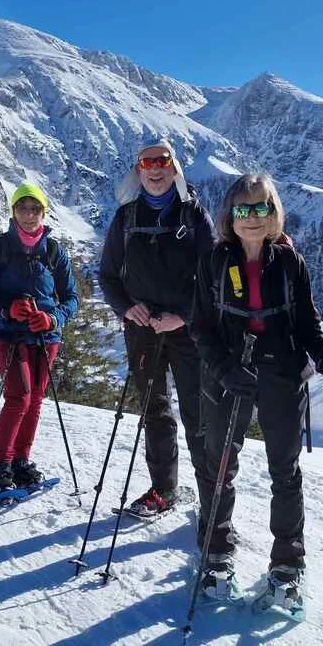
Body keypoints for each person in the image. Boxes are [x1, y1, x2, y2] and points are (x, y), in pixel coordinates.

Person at [191, 173, 323, 605]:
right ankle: (216, 554)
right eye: (243, 209)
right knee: (220, 466)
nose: (252, 217)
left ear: (273, 212)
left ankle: (287, 563)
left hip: (281, 373)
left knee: (285, 470)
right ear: (230, 214)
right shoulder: (213, 260)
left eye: (261, 208)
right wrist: (224, 369)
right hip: (229, 375)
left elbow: (306, 322)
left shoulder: (288, 261)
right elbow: (201, 326)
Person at [98, 139, 217, 517]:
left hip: (188, 329)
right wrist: (125, 307)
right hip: (142, 328)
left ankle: (212, 494)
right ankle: (163, 489)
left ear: (174, 167)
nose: (154, 169)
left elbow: (212, 277)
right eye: (146, 162)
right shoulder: (126, 217)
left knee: (199, 413)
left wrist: (183, 315)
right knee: (155, 408)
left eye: (162, 161)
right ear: (137, 170)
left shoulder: (194, 215)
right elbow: (107, 275)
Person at [0, 182, 78, 492]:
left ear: (44, 212)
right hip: (10, 335)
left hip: (46, 337)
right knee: (20, 398)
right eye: (23, 208)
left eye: (35, 209)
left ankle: (21, 460)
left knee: (35, 401)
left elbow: (71, 298)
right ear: (13, 211)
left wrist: (53, 317)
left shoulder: (55, 250)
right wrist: (5, 310)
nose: (29, 215)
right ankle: (0, 464)